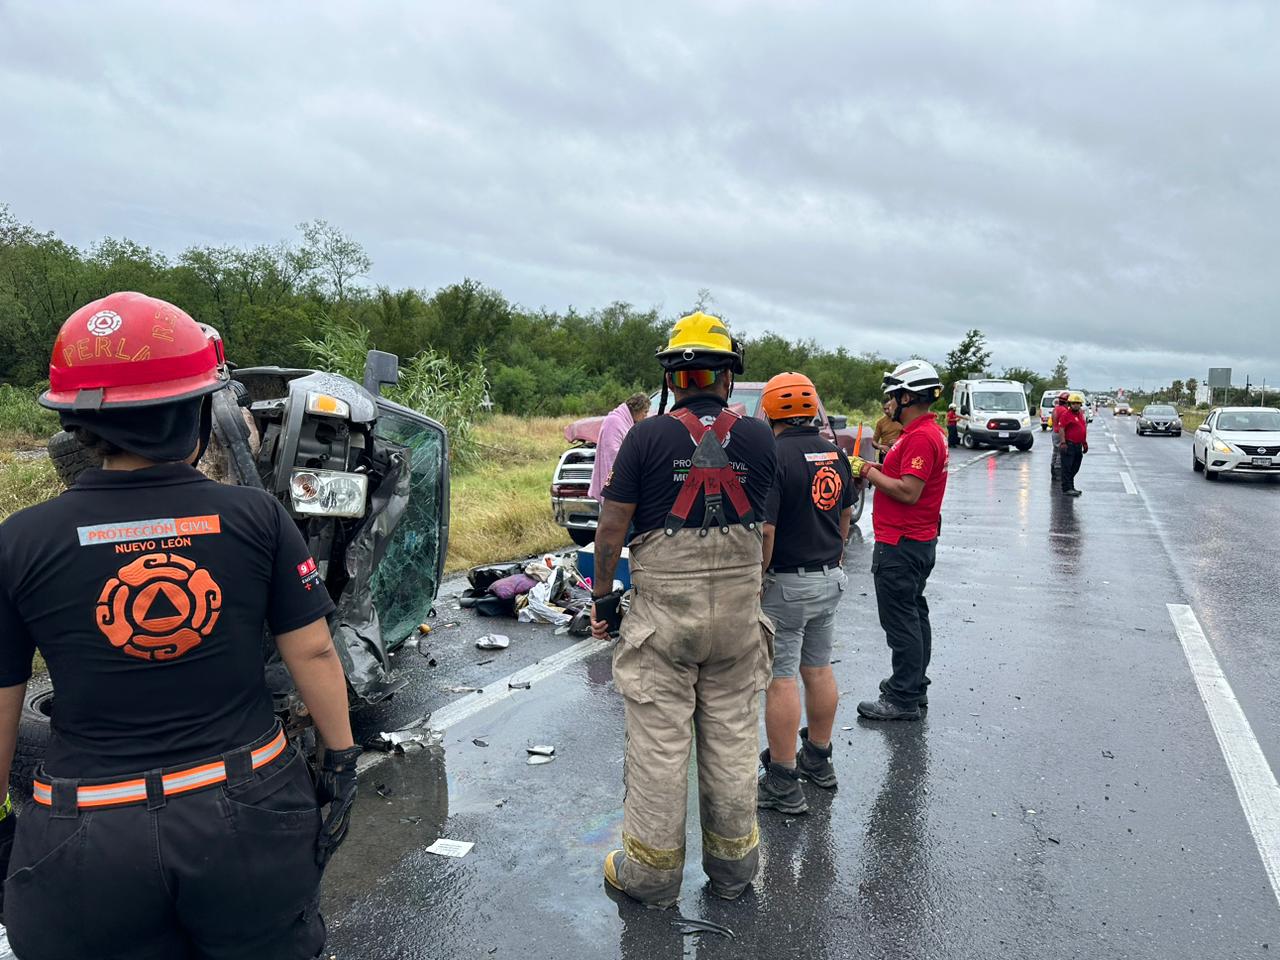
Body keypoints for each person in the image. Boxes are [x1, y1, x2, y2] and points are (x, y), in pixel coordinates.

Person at [0, 292, 360, 960]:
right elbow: (312, 649)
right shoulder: (257, 517)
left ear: (78, 421)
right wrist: (341, 762)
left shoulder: (17, 542)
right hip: (244, 816)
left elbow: (2, 694)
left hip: (83, 836)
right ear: (198, 411)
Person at [589, 311, 776, 907]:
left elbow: (611, 529)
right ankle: (735, 871)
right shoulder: (759, 437)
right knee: (732, 738)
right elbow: (764, 535)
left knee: (660, 743)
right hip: (738, 621)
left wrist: (601, 600)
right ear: (727, 376)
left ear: (673, 375)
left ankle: (651, 876)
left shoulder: (644, 438)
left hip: (664, 623)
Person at [755, 373, 853, 816]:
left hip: (787, 584)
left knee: (781, 678)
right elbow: (845, 516)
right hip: (829, 577)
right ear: (813, 408)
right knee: (818, 670)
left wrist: (758, 578)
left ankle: (782, 779)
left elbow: (767, 531)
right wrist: (833, 554)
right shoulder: (835, 453)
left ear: (770, 410)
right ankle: (819, 759)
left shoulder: (772, 455)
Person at [852, 359, 948, 722]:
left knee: (901, 620)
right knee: (914, 613)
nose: (888, 403)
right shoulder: (921, 433)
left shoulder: (921, 437)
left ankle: (904, 698)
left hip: (902, 543)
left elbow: (909, 491)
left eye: (893, 396)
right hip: (916, 540)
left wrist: (867, 471)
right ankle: (912, 684)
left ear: (908, 397)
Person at [588, 392, 650, 502]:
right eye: (645, 412)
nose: (646, 416)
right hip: (614, 487)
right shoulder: (614, 421)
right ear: (637, 409)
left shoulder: (626, 422)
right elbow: (612, 453)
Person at [1058, 391, 1089, 496]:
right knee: (1067, 467)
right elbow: (1061, 428)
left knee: (1075, 467)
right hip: (1069, 444)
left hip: (1078, 445)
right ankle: (1066, 488)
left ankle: (1071, 486)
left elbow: (1083, 429)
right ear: (1070, 404)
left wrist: (1084, 443)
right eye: (1073, 403)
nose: (1076, 405)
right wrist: (1063, 442)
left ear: (1080, 404)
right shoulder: (1066, 415)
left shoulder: (1080, 415)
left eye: (1078, 403)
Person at [872, 398, 905, 462]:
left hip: (899, 453)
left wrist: (898, 442)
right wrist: (880, 446)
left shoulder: (903, 420)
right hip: (884, 455)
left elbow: (910, 436)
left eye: (888, 408)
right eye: (885, 409)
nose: (887, 411)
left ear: (894, 406)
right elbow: (874, 442)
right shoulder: (880, 422)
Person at [1050, 390, 1070, 479]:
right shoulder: (1064, 411)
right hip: (1059, 433)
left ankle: (1053, 471)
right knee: (1060, 453)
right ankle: (1058, 473)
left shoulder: (1056, 408)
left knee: (1055, 451)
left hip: (1054, 431)